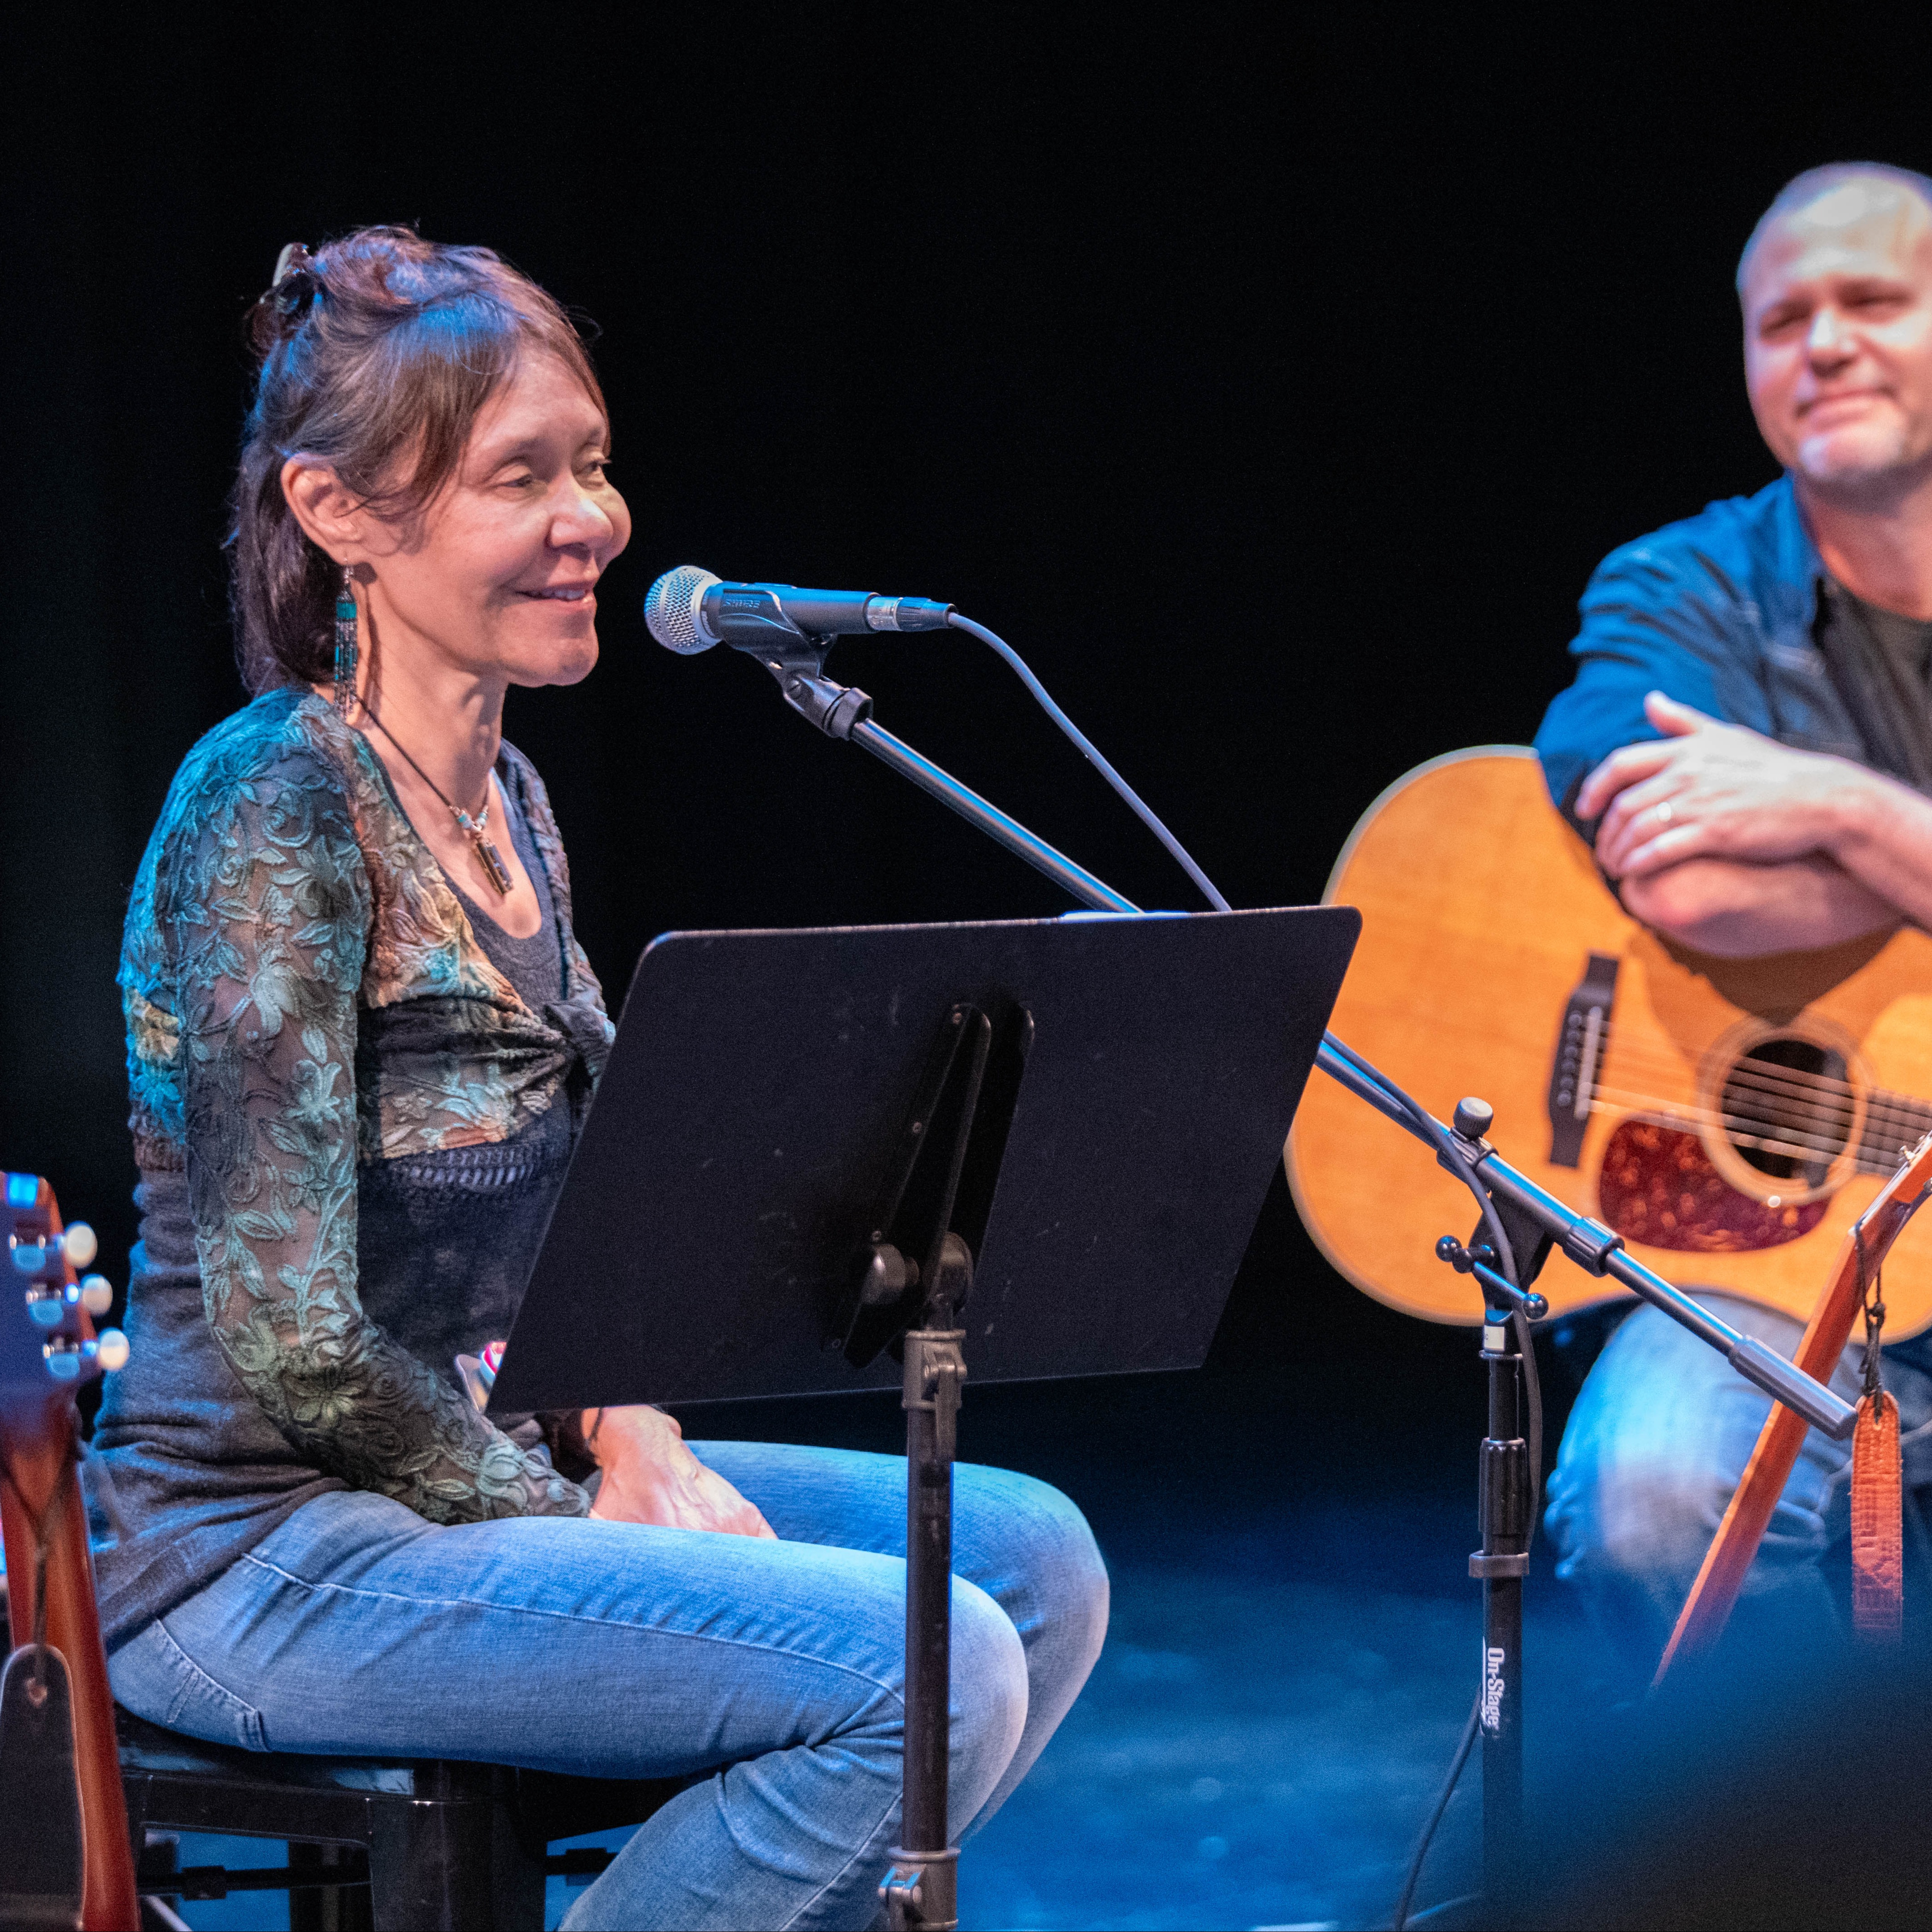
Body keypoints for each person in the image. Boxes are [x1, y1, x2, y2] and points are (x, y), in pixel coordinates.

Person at [93, 226, 1108, 1930]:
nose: (593, 519)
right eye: (521, 477)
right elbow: (294, 1338)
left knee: (1030, 1564)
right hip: (259, 1551)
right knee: (923, 1662)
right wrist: (591, 1500)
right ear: (339, 513)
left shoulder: (511, 803)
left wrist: (627, 1431)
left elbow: (583, 1209)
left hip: (470, 1484)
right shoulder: (275, 803)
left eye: (593, 464)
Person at [1533, 163, 1932, 1669]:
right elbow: (1680, 878)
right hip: (1786, 1258)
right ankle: (1813, 1812)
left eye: (1871, 301)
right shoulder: (1684, 585)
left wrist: (1831, 803)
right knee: (1648, 1493)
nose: (1822, 344)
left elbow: (1764, 855)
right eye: (1782, 320)